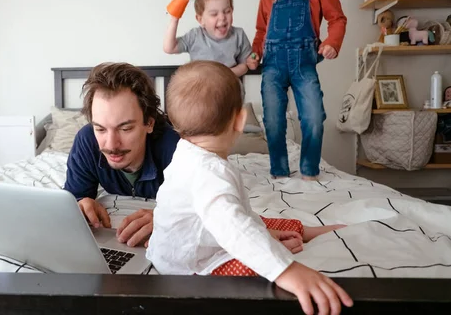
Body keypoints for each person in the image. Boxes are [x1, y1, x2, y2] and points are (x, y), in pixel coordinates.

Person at [146, 60, 352, 315]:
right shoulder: (210, 175)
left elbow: (235, 218)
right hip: (191, 267)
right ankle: (272, 250)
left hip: (184, 244)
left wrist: (265, 231)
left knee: (261, 221)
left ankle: (302, 231)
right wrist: (286, 270)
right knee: (255, 273)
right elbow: (234, 229)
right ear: (240, 120)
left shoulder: (188, 152)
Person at [247, 0, 347, 181]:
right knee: (272, 121)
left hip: (304, 65)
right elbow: (261, 33)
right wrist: (254, 54)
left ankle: (309, 170)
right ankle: (279, 171)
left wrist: (331, 44)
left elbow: (337, 20)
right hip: (273, 67)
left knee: (313, 117)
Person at [63, 62, 180, 248]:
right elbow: (74, 197)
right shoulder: (86, 140)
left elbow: (203, 209)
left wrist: (168, 219)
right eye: (100, 128)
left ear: (149, 123)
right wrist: (82, 203)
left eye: (125, 128)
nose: (111, 145)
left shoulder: (177, 148)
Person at [163, 0, 251, 77]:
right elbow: (169, 48)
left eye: (227, 11)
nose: (222, 17)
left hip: (230, 89)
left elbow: (245, 65)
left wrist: (224, 75)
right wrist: (174, 19)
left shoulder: (239, 35)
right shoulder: (195, 36)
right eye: (214, 14)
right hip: (201, 90)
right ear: (200, 20)